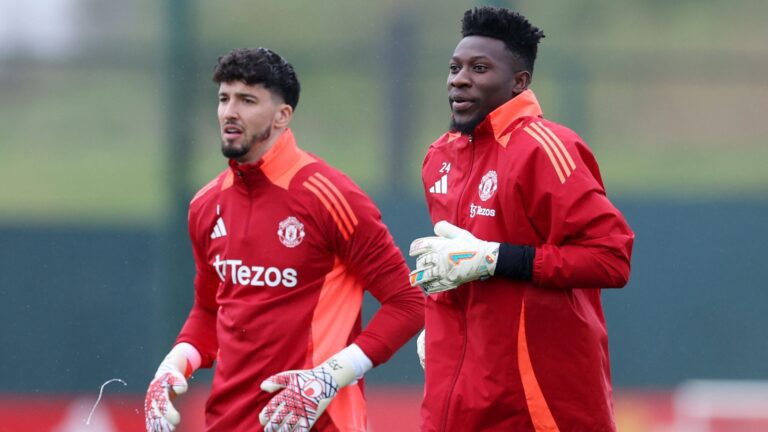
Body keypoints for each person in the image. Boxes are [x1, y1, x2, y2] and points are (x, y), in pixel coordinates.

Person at [144, 47, 425, 432]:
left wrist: (330, 376)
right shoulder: (206, 205)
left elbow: (409, 303)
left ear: (282, 115)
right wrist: (174, 364)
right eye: (224, 99)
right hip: (227, 423)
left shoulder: (329, 195)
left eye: (247, 100)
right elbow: (210, 311)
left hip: (317, 424)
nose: (229, 112)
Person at [409, 7, 634, 432]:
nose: (459, 79)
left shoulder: (544, 149)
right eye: (455, 68)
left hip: (536, 404)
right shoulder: (439, 156)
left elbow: (610, 258)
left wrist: (496, 259)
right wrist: (441, 326)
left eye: (479, 68)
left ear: (519, 81)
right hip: (455, 398)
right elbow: (459, 268)